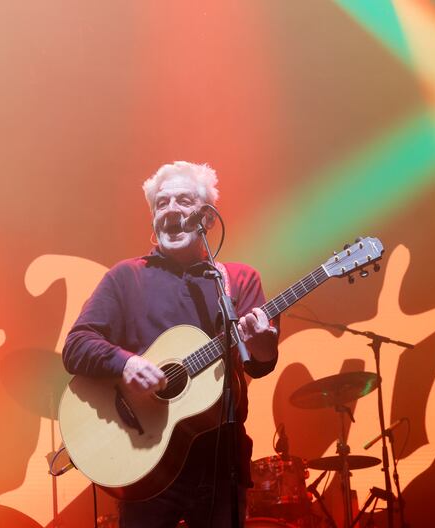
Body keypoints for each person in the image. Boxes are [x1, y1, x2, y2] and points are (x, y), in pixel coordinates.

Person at [62, 161, 280, 527]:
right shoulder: (126, 277)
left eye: (184, 200)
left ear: (208, 219)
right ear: (153, 219)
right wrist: (125, 364)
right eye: (162, 204)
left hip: (221, 466)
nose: (172, 210)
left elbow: (259, 363)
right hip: (145, 460)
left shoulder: (238, 280)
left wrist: (262, 346)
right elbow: (76, 345)